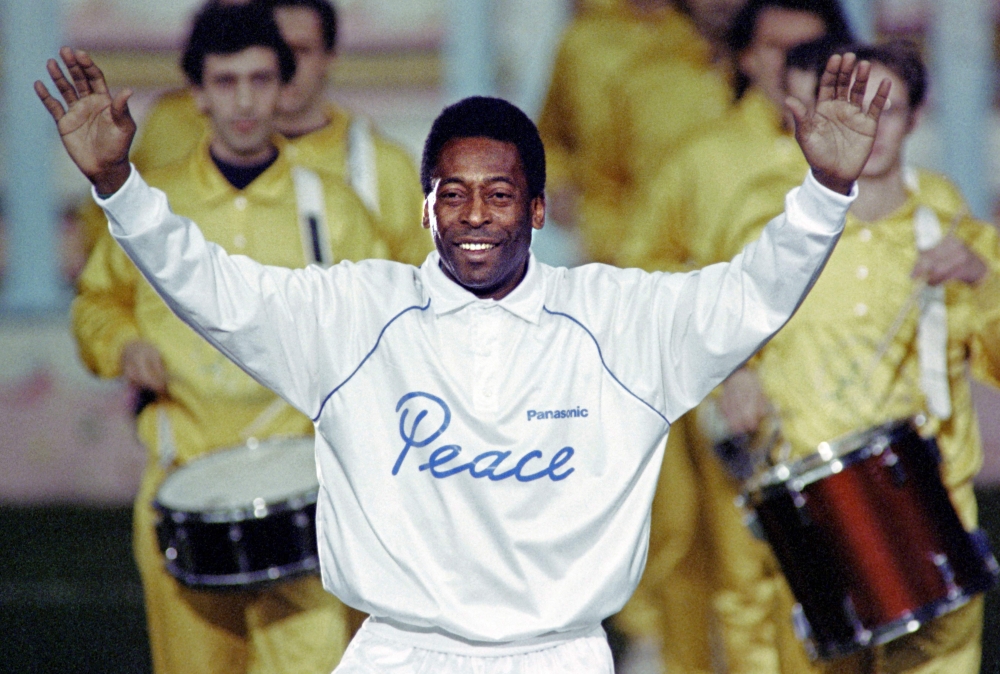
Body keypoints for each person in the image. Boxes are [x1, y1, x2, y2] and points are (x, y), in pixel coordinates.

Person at [38, 43, 889, 672]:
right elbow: (211, 287)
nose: (475, 213)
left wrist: (824, 195)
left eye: (500, 193)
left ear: (540, 207)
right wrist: (119, 187)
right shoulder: (355, 313)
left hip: (559, 656)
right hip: (397, 653)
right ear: (425, 208)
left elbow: (749, 297)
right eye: (454, 192)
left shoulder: (618, 318)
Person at [69, 4, 391, 673]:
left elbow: (384, 330)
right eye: (225, 82)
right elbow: (96, 304)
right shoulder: (152, 207)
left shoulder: (330, 208)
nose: (244, 101)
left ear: (284, 84)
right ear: (197, 93)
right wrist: (125, 342)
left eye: (260, 79)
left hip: (312, 499)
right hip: (181, 481)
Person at [714, 39, 1000, 674]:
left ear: (916, 117)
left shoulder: (953, 230)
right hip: (810, 518)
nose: (866, 126)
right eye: (849, 106)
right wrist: (733, 380)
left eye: (886, 108)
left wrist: (982, 280)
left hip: (933, 516)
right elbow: (713, 332)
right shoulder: (770, 223)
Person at [76, 0, 429, 267]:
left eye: (301, 50)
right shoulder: (174, 129)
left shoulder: (378, 164)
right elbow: (109, 256)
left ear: (331, 57)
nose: (288, 67)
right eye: (276, 49)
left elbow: (415, 281)